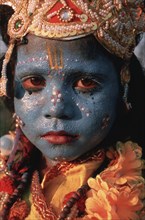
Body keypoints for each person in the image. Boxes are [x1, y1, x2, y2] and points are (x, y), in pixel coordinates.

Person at [0, 1, 145, 219]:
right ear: (9, 86)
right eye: (35, 81)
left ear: (123, 85)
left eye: (86, 83)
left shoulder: (135, 192)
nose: (56, 108)